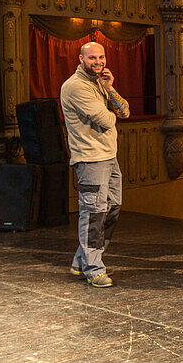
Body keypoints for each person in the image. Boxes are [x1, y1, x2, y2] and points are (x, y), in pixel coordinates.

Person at [60, 41, 130, 288]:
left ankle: (82, 261)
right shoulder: (76, 87)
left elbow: (125, 113)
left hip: (109, 156)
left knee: (113, 208)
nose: (98, 62)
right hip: (90, 159)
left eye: (101, 57)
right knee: (93, 215)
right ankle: (93, 268)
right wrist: (110, 114)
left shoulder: (98, 84)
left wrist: (109, 88)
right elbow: (107, 119)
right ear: (80, 59)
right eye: (92, 58)